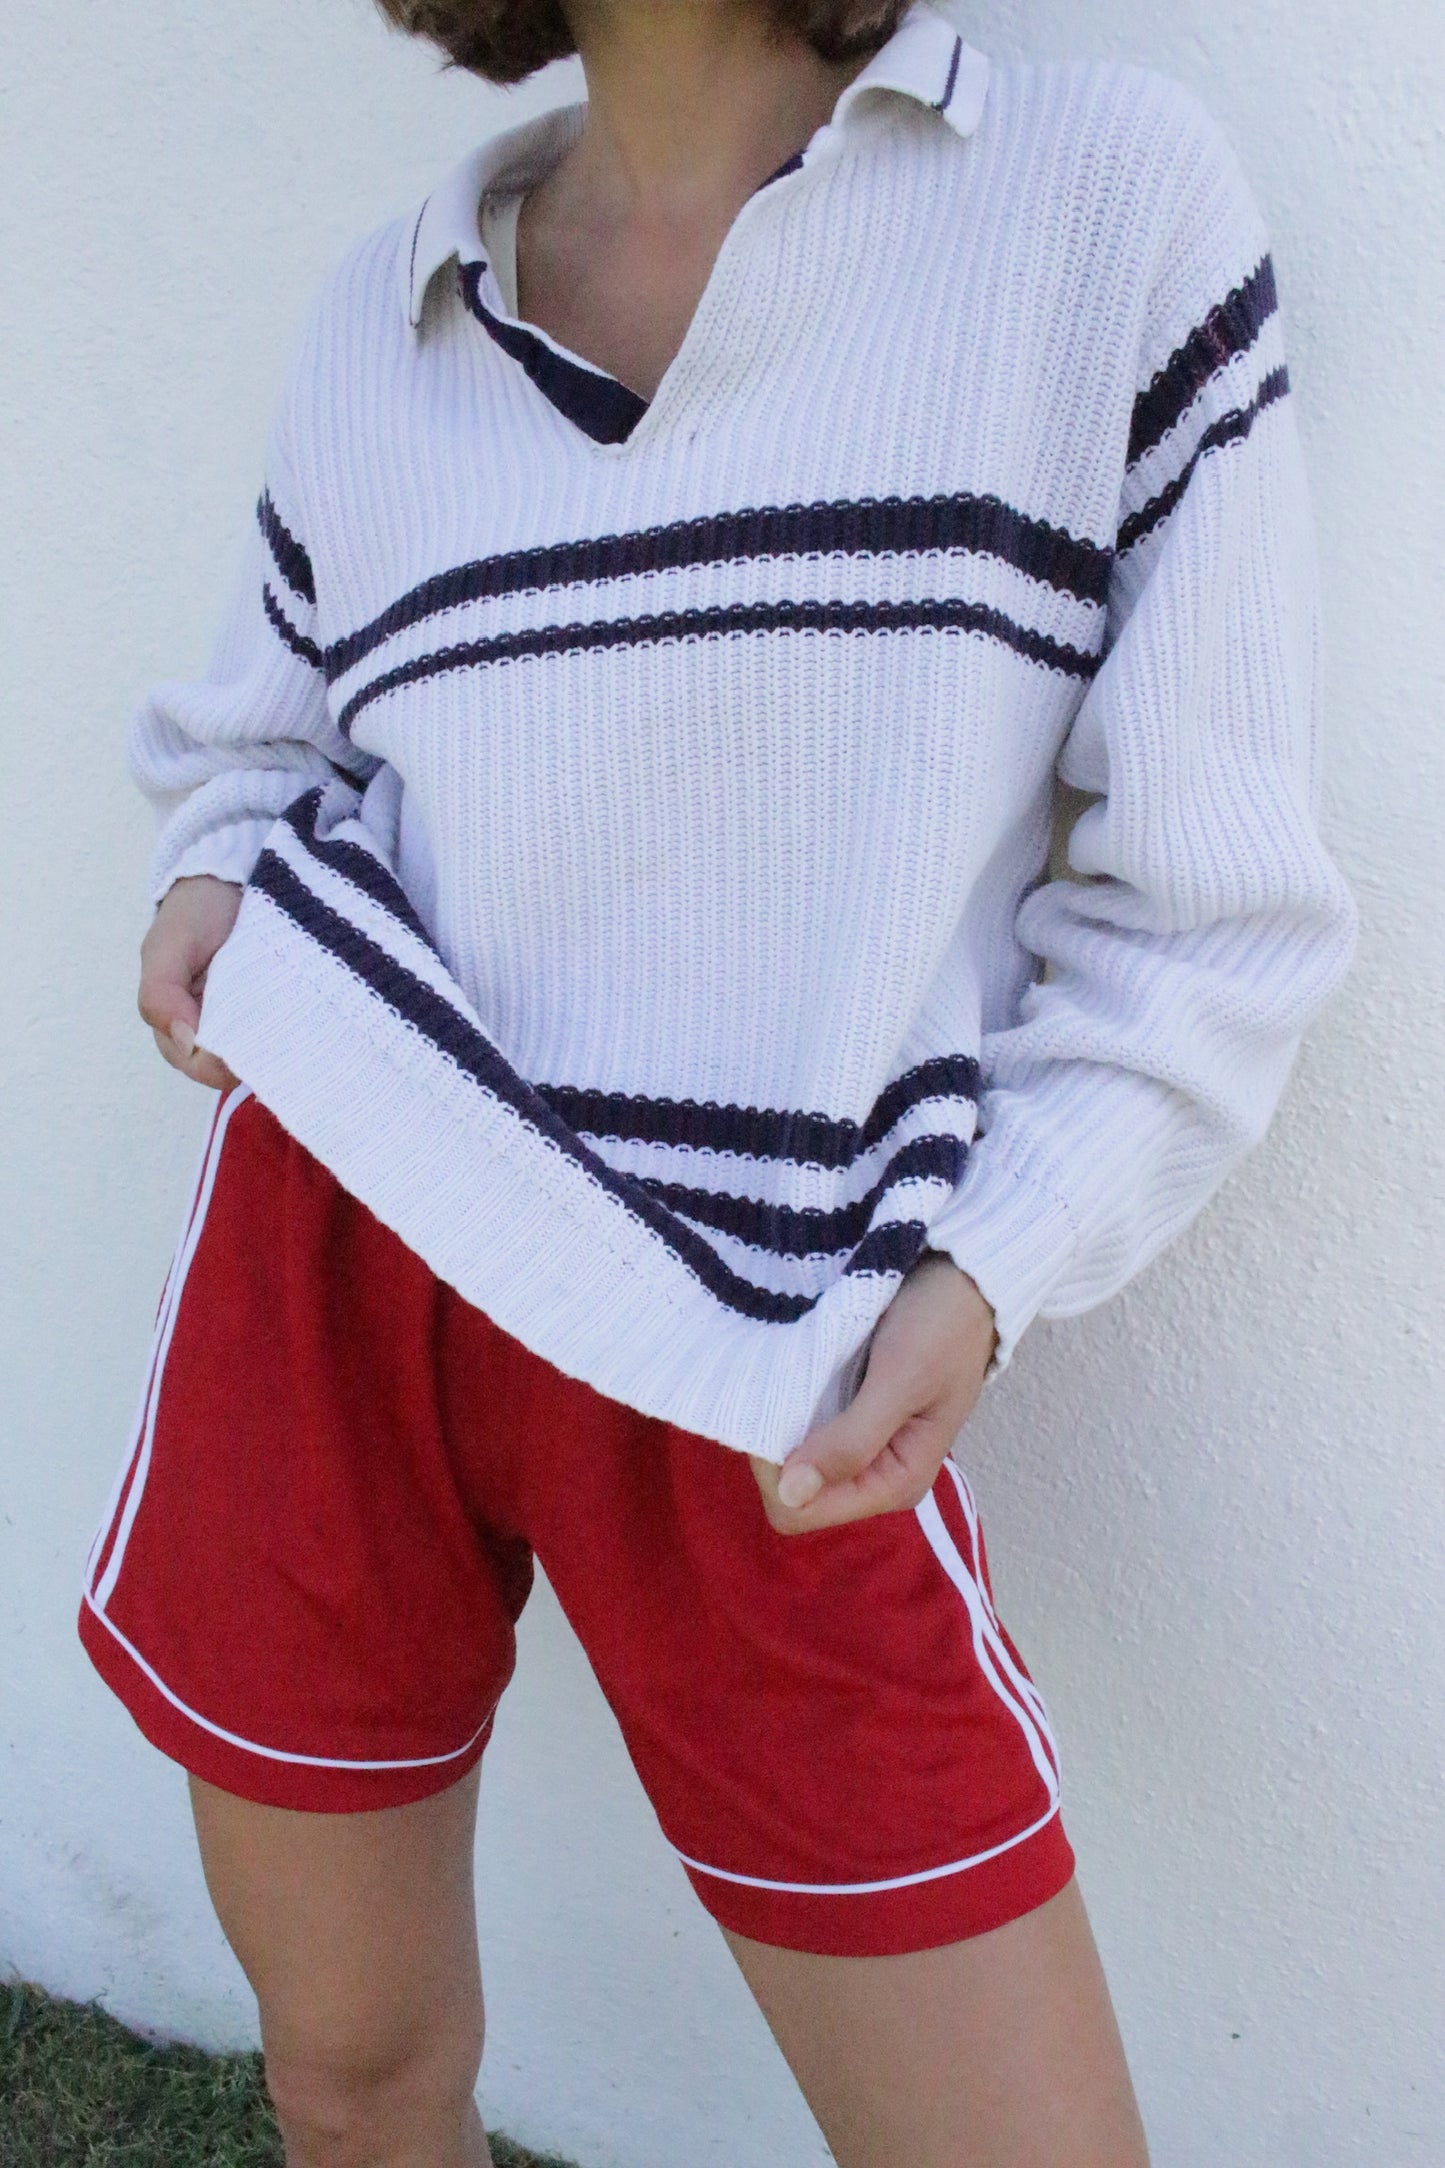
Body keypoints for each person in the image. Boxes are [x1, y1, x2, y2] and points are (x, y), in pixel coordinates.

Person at [78, 0, 1357, 2159]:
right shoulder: (387, 313)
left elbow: (1215, 909)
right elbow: (252, 752)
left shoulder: (1096, 202)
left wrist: (990, 1259)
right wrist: (210, 877)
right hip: (336, 1246)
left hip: (772, 1336)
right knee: (351, 2079)